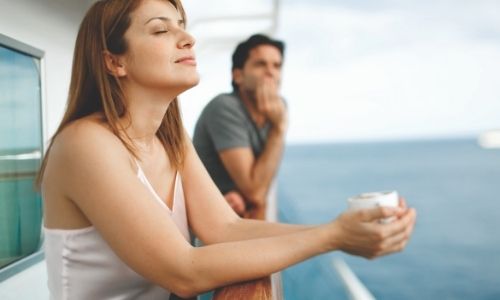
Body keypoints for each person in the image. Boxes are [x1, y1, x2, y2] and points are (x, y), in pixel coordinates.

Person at [38, 0, 417, 299]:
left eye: (183, 27)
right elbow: (184, 271)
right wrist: (334, 237)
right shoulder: (84, 145)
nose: (187, 39)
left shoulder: (170, 137)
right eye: (160, 30)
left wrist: (345, 230)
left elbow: (225, 228)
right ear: (113, 61)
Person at [193, 34, 286, 219]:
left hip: (245, 219)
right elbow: (255, 192)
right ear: (238, 75)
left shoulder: (278, 107)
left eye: (277, 66)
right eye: (260, 64)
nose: (270, 72)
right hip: (209, 224)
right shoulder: (225, 107)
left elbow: (263, 190)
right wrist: (278, 129)